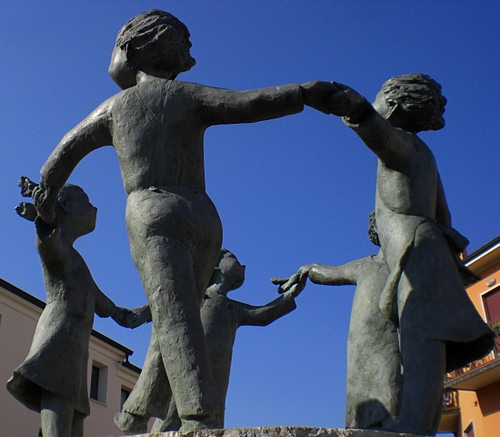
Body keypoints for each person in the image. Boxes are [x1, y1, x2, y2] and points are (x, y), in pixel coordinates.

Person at [32, 10, 336, 431]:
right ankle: (136, 413)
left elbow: (57, 161)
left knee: (175, 318)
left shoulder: (116, 107)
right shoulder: (188, 95)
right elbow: (247, 103)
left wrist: (46, 204)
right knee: (176, 314)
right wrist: (302, 93)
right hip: (204, 216)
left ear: (129, 50)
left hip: (153, 212)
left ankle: (199, 415)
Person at [321, 74, 494, 435]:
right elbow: (444, 215)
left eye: (378, 98)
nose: (375, 102)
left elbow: (376, 133)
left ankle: (414, 425)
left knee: (421, 344)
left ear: (393, 104)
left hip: (415, 250)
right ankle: (416, 423)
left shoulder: (403, 145)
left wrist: (357, 109)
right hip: (419, 248)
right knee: (418, 343)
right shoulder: (423, 153)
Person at [7, 177, 149, 437]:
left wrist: (150, 310)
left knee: (73, 417)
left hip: (75, 349)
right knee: (58, 399)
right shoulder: (57, 249)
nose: (94, 208)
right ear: (67, 205)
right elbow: (48, 235)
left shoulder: (77, 262)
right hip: (57, 338)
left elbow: (113, 310)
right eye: (88, 202)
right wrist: (44, 211)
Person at [148, 248, 304, 432]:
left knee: (212, 417)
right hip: (187, 366)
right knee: (172, 412)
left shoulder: (232, 308)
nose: (242, 266)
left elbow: (263, 315)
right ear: (215, 266)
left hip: (218, 373)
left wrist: (290, 294)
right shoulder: (196, 298)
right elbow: (165, 306)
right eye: (233, 259)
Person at [276, 213, 401, 430]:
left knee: (393, 387)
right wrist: (307, 268)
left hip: (393, 340)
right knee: (361, 396)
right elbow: (331, 272)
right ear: (375, 231)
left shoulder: (406, 266)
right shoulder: (365, 265)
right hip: (362, 344)